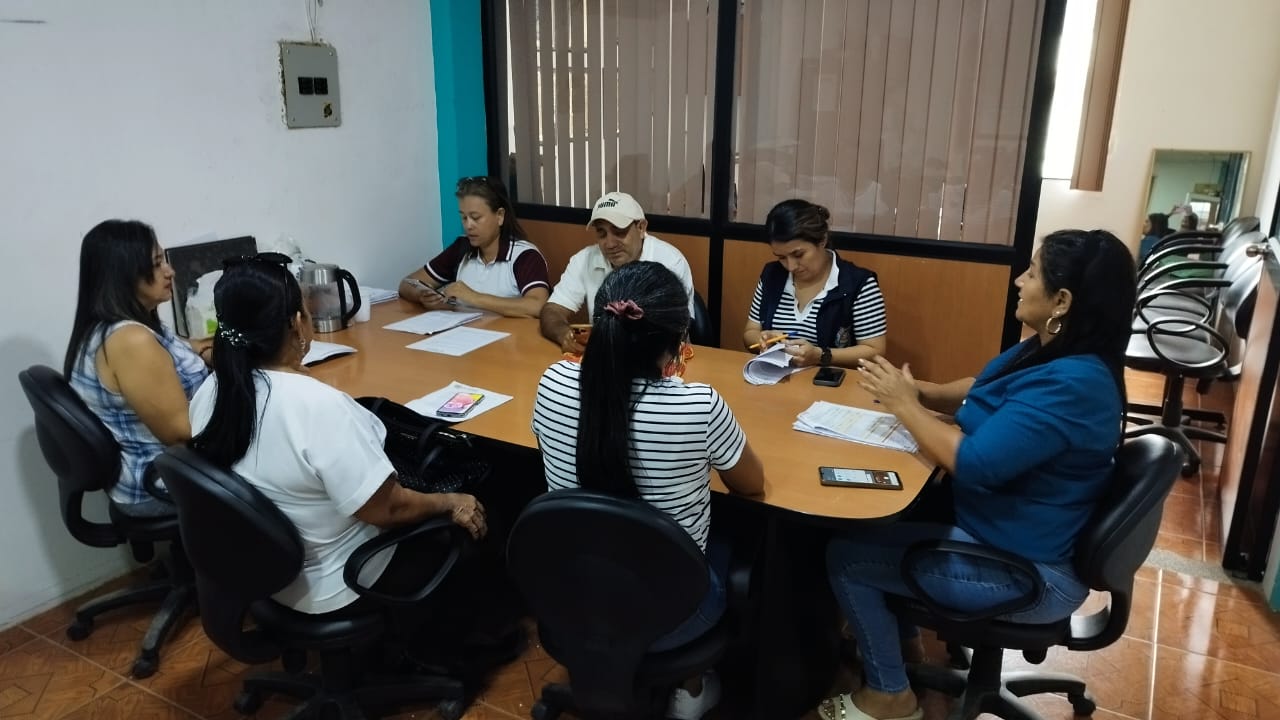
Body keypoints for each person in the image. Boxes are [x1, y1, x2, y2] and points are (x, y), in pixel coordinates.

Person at [818, 230, 1136, 720]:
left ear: (1062, 301)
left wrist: (906, 406)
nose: (1019, 280)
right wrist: (917, 392)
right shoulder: (1050, 350)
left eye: (1032, 273)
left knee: (846, 556)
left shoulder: (1076, 383)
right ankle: (907, 652)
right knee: (884, 521)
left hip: (1028, 573)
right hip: (1004, 535)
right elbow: (978, 390)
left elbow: (976, 463)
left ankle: (890, 695)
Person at [189, 253, 487, 616]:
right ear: (297, 323)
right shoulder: (318, 406)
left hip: (265, 574)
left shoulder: (212, 391)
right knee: (480, 514)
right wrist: (450, 502)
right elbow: (388, 508)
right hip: (341, 580)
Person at [531, 261, 764, 720]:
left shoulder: (553, 382)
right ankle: (692, 686)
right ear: (680, 338)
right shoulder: (697, 405)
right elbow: (751, 485)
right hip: (671, 618)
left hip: (572, 603)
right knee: (736, 538)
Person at [64, 219, 210, 516]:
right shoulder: (131, 341)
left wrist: (230, 347)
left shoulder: (119, 324)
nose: (170, 271)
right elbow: (181, 431)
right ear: (124, 274)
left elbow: (187, 349)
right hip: (160, 483)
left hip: (162, 469)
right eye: (157, 264)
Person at [539, 191, 696, 354]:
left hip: (658, 357)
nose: (610, 244)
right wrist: (564, 334)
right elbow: (552, 310)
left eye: (619, 231)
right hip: (605, 357)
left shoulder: (670, 262)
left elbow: (678, 329)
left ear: (641, 227)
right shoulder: (584, 259)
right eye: (601, 233)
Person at [743, 199, 887, 369]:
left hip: (828, 381)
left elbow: (875, 351)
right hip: (775, 377)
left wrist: (821, 355)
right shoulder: (772, 276)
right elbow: (750, 332)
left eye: (798, 255)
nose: (791, 266)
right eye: (781, 257)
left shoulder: (858, 284)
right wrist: (763, 340)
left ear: (822, 240)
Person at [399, 176, 550, 318]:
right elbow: (407, 283)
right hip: (464, 332)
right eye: (464, 217)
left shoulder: (524, 256)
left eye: (476, 218)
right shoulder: (462, 247)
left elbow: (538, 306)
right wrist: (422, 295)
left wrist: (474, 297)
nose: (468, 225)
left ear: (500, 216)